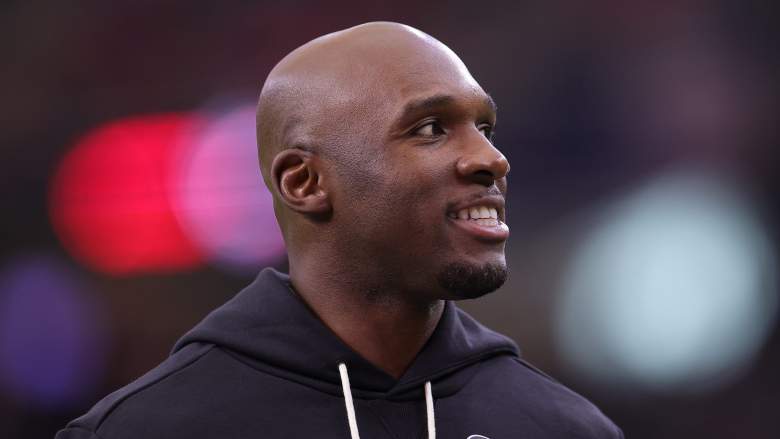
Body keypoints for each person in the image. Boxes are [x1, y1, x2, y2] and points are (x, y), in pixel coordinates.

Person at [56, 22, 623, 439]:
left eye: (484, 127)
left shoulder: (565, 428)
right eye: (431, 128)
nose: (491, 159)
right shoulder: (147, 429)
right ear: (304, 182)